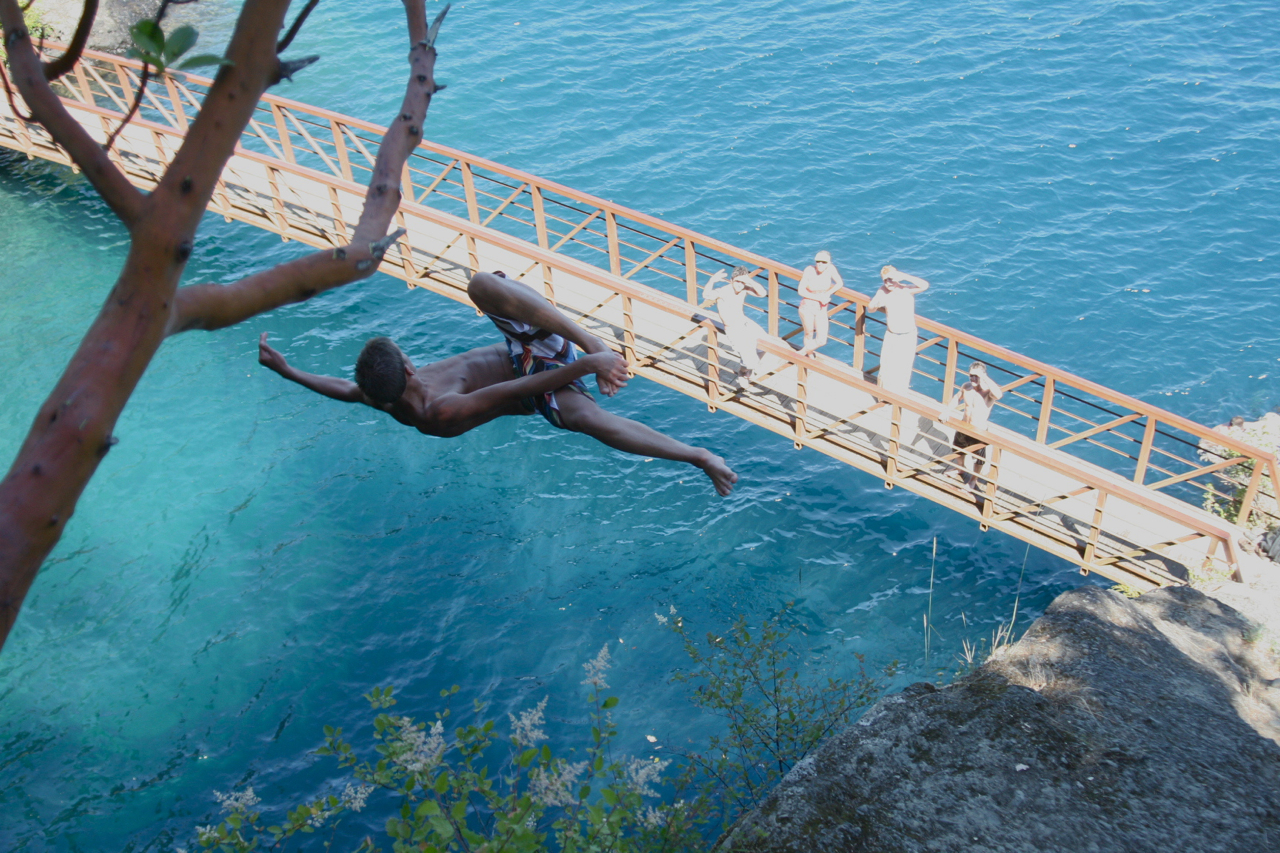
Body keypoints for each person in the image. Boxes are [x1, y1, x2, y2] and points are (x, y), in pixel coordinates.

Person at [257, 271, 738, 495]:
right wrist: (592, 368)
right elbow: (521, 391)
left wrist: (288, 371)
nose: (409, 355)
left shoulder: (383, 394)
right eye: (406, 355)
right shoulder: (437, 411)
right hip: (538, 388)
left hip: (523, 352)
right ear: (406, 369)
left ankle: (587, 339)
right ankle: (698, 456)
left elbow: (345, 390)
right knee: (588, 419)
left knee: (480, 285)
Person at [940, 361, 1003, 489]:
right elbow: (957, 398)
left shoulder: (987, 392)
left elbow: (999, 395)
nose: (973, 379)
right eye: (971, 375)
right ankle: (960, 468)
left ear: (983, 375)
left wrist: (984, 377)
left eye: (976, 376)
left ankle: (973, 480)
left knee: (978, 458)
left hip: (978, 431)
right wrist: (947, 411)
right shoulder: (966, 387)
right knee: (958, 448)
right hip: (964, 426)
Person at [867, 264, 929, 393]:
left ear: (897, 278)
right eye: (885, 280)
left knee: (904, 367)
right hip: (891, 334)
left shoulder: (906, 289)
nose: (888, 282)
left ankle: (899, 396)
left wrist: (904, 276)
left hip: (907, 335)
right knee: (886, 366)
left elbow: (925, 285)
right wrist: (875, 303)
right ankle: (883, 394)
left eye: (891, 279)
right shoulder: (883, 291)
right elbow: (871, 309)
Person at [703, 266, 770, 382]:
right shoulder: (723, 291)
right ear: (731, 280)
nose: (739, 284)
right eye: (737, 281)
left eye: (742, 282)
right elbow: (706, 295)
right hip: (733, 329)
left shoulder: (744, 288)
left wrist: (750, 281)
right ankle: (743, 372)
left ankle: (749, 368)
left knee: (765, 344)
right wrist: (712, 280)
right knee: (749, 359)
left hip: (745, 322)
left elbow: (762, 293)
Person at [796, 250, 844, 358]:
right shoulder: (809, 270)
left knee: (822, 340)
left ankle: (800, 354)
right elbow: (801, 290)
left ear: (829, 263)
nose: (820, 264)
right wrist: (818, 297)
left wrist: (828, 293)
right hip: (807, 306)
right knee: (808, 334)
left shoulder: (831, 269)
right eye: (818, 261)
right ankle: (809, 355)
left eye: (824, 262)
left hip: (822, 309)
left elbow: (839, 283)